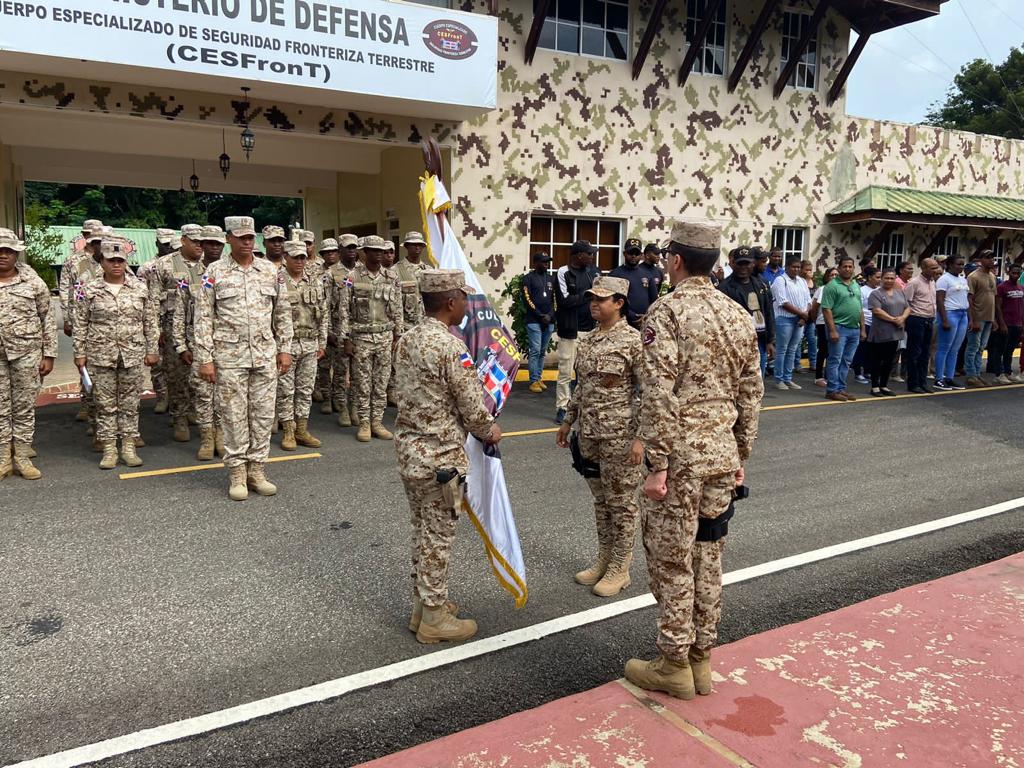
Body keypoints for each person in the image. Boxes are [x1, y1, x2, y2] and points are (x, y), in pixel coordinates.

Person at [624, 221, 762, 701]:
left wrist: (657, 465)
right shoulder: (737, 313)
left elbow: (658, 394)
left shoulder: (666, 313)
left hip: (680, 459)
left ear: (676, 261)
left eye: (667, 257)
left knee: (671, 560)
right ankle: (703, 658)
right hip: (721, 455)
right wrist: (741, 453)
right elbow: (751, 392)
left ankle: (674, 662)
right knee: (708, 555)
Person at [393, 268, 501, 644]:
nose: (466, 304)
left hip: (410, 453)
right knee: (438, 537)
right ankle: (434, 620)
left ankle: (423, 606)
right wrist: (490, 430)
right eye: (464, 298)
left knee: (421, 531)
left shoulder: (406, 338)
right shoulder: (450, 347)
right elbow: (472, 408)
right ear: (451, 302)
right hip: (441, 458)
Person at [195, 216, 294, 501]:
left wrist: (284, 348)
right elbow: (202, 317)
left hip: (264, 354)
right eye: (241, 238)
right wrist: (205, 358)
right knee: (234, 415)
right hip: (228, 356)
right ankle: (237, 472)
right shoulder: (214, 272)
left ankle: (257, 470)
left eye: (251, 237)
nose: (248, 242)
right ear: (229, 239)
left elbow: (282, 312)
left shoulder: (270, 271)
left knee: (263, 415)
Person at [555, 276, 643, 597]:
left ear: (619, 303)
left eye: (601, 299)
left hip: (620, 435)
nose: (593, 303)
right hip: (589, 434)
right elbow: (583, 387)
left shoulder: (634, 342)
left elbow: (650, 392)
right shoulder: (588, 340)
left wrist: (641, 439)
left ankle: (621, 566)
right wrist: (568, 422)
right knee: (601, 500)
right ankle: (604, 558)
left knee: (621, 503)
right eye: (591, 298)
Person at [74, 238, 159, 469]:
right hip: (100, 354)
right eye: (111, 260)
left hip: (132, 354)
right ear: (101, 262)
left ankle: (129, 447)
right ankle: (110, 449)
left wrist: (152, 349)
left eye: (120, 260)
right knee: (104, 404)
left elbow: (150, 321)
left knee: (131, 403)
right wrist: (79, 353)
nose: (116, 265)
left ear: (126, 262)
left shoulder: (140, 289)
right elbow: (80, 323)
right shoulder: (89, 289)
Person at [0, 228, 56, 480]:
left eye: (9, 251)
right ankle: (3, 458)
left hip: (26, 353)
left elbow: (47, 318)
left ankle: (22, 457)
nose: (3, 255)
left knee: (23, 407)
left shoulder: (33, 283)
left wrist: (49, 354)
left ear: (17, 254)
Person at [338, 235, 403, 442]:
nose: (378, 254)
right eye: (373, 250)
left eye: (381, 251)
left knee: (381, 383)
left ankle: (377, 421)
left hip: (384, 337)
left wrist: (398, 336)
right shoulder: (352, 276)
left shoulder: (391, 278)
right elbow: (344, 310)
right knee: (362, 383)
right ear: (364, 252)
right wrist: (345, 339)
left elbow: (398, 309)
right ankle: (365, 423)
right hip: (361, 338)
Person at [148, 223, 206, 443]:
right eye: (195, 242)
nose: (200, 246)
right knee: (177, 374)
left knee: (201, 374)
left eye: (202, 242)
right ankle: (179, 417)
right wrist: (157, 331)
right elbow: (153, 301)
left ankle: (194, 410)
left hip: (200, 327)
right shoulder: (164, 265)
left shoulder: (208, 265)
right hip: (172, 326)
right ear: (183, 241)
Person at [173, 225, 225, 460]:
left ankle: (222, 436)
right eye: (209, 244)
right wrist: (181, 345)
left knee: (225, 394)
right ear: (202, 246)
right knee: (204, 394)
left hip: (229, 346)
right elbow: (180, 312)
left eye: (218, 244)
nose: (214, 248)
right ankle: (206, 438)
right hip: (199, 345)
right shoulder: (189, 277)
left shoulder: (229, 272)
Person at [277, 239, 329, 452]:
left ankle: (302, 429)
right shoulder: (277, 281)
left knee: (305, 390)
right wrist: (280, 348)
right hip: (287, 346)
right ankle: (288, 431)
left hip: (310, 342)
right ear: (285, 258)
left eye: (303, 257)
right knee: (286, 390)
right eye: (295, 257)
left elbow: (323, 313)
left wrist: (322, 342)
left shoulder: (315, 281)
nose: (300, 261)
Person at [554, 240, 599, 424]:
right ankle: (562, 407)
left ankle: (583, 406)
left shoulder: (593, 273)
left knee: (586, 371)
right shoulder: (563, 272)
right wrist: (587, 294)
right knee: (566, 371)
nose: (592, 257)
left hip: (590, 330)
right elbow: (564, 300)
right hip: (570, 330)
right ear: (579, 255)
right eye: (589, 254)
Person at [718, 247, 774, 378]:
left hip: (759, 340)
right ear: (733, 264)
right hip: (735, 342)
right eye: (740, 263)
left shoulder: (762, 285)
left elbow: (768, 312)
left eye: (747, 264)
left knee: (757, 381)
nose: (743, 267)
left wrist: (770, 341)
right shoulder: (724, 288)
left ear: (753, 264)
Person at [326, 234, 360, 427]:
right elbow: (326, 304)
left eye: (354, 247)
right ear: (340, 250)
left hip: (360, 329)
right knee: (340, 370)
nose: (351, 251)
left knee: (357, 372)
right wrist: (329, 331)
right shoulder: (331, 273)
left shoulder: (362, 271)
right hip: (339, 327)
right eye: (348, 248)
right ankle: (343, 408)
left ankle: (354, 406)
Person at [821, 256, 865, 401]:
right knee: (835, 360)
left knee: (846, 361)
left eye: (850, 266)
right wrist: (832, 330)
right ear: (839, 268)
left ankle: (841, 388)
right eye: (844, 266)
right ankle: (832, 390)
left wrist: (862, 329)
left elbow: (860, 309)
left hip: (854, 329)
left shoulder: (855, 285)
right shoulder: (832, 286)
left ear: (853, 268)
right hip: (839, 328)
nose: (847, 269)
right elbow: (826, 309)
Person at [770, 255, 811, 390]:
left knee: (792, 349)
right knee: (782, 349)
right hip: (785, 319)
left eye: (798, 267)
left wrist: (804, 316)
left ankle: (788, 378)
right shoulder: (780, 280)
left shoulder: (802, 281)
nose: (796, 269)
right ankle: (779, 379)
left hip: (800, 319)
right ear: (787, 267)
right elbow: (782, 302)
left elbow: (808, 301)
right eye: (793, 267)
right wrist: (802, 314)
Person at [865, 268, 909, 397]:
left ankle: (884, 385)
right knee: (877, 361)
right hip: (880, 332)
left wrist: (902, 318)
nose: (889, 280)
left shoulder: (900, 292)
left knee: (889, 360)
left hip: (895, 332)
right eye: (886, 278)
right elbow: (876, 310)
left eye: (892, 278)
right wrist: (893, 319)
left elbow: (907, 308)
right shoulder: (876, 294)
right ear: (881, 279)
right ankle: (875, 387)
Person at [903, 258, 940, 394]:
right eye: (932, 268)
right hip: (916, 319)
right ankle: (913, 383)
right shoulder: (914, 283)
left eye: (936, 268)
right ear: (923, 268)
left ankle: (922, 381)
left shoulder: (933, 282)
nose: (935, 270)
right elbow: (906, 302)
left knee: (926, 352)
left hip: (929, 319)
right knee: (915, 353)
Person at [522, 251, 556, 393]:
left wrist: (549, 315)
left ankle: (538, 377)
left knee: (542, 351)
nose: (546, 264)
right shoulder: (528, 278)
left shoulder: (551, 278)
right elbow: (526, 298)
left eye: (547, 262)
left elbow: (555, 299)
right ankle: (533, 381)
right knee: (535, 350)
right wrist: (539, 314)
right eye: (543, 262)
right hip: (533, 320)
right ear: (535, 263)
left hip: (548, 320)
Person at [314, 238, 341, 414]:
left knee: (340, 366)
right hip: (323, 323)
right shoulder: (315, 273)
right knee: (324, 365)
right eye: (327, 252)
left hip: (341, 325)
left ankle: (338, 398)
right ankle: (326, 397)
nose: (330, 254)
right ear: (322, 254)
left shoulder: (345, 272)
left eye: (333, 251)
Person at [934, 256, 969, 391]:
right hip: (950, 313)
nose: (961, 267)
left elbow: (966, 298)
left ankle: (949, 377)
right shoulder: (944, 279)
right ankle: (939, 378)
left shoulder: (963, 279)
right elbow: (940, 300)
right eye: (958, 264)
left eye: (962, 264)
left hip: (962, 314)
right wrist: (944, 319)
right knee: (944, 348)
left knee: (955, 349)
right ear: (949, 265)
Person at [610, 238, 659, 329]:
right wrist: (632, 316)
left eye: (636, 253)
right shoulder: (615, 274)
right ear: (624, 254)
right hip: (621, 323)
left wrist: (646, 317)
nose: (633, 256)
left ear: (641, 255)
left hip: (645, 322)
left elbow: (654, 300)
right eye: (630, 253)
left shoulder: (647, 275)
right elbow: (612, 301)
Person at [965, 250, 997, 388]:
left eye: (992, 258)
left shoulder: (992, 276)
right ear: (981, 260)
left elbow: (993, 298)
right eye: (988, 258)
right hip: (978, 317)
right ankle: (971, 375)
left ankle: (977, 374)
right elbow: (969, 299)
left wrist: (994, 318)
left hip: (989, 317)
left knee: (981, 347)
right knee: (973, 347)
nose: (991, 260)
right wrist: (973, 319)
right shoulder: (973, 276)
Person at [988, 262, 1024, 383]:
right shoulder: (1002, 287)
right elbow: (997, 306)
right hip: (1006, 323)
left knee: (1010, 350)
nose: (1016, 275)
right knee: (1000, 349)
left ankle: (1008, 371)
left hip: (1017, 323)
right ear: (1008, 272)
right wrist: (1001, 323)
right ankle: (999, 373)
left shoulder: (1021, 287)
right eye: (1013, 273)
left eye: (1018, 273)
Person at [851, 267, 880, 384]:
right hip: (866, 322)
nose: (879, 280)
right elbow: (859, 308)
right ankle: (858, 372)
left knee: (873, 349)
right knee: (862, 348)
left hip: (877, 323)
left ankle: (868, 370)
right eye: (877, 277)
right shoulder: (862, 290)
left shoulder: (879, 290)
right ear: (869, 278)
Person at [811, 267, 838, 387]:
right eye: (831, 275)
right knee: (823, 350)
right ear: (827, 277)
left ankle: (830, 376)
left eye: (836, 275)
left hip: (837, 323)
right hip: (823, 323)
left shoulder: (841, 289)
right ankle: (818, 377)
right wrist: (815, 320)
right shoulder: (823, 289)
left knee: (833, 351)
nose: (834, 277)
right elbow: (814, 307)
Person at [797, 260, 817, 374]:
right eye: (806, 270)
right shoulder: (800, 282)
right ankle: (797, 364)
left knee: (812, 340)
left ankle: (813, 363)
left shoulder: (813, 282)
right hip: (801, 316)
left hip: (811, 318)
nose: (809, 272)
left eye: (810, 270)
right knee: (798, 341)